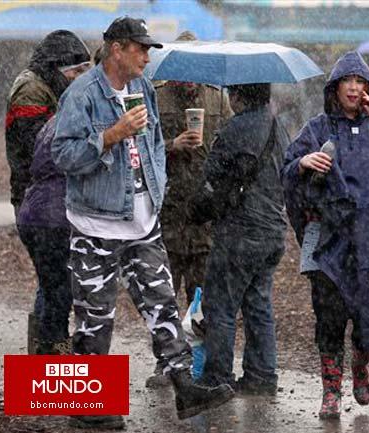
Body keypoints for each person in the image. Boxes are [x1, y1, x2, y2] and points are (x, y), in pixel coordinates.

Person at [51, 16, 233, 429]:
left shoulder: (143, 88)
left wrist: (157, 189)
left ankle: (185, 387)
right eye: (141, 49)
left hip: (143, 224)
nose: (148, 57)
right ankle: (87, 406)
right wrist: (110, 135)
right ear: (117, 49)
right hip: (96, 226)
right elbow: (62, 155)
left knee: (162, 305)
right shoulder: (82, 94)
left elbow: (151, 145)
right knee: (95, 318)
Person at [282, 51, 369, 419]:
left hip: (368, 239)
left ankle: (360, 366)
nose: (355, 88)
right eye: (348, 81)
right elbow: (288, 167)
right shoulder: (317, 128)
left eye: (361, 82)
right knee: (328, 314)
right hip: (327, 237)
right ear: (335, 87)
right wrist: (303, 163)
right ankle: (331, 390)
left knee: (367, 311)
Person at [148, 30, 234, 388]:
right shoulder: (156, 95)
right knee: (163, 296)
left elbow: (231, 141)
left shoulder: (217, 97)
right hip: (168, 210)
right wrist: (172, 144)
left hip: (205, 215)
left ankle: (199, 364)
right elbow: (142, 144)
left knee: (203, 296)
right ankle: (166, 364)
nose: (189, 76)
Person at [197, 83, 289, 396]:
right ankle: (262, 376)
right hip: (273, 230)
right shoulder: (278, 127)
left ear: (237, 96)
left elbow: (211, 172)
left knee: (220, 304)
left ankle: (217, 376)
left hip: (240, 231)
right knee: (258, 303)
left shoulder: (235, 128)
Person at [5, 30, 91, 354]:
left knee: (52, 279)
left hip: (43, 197)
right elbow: (40, 147)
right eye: (76, 72)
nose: (80, 79)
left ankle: (43, 351)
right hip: (36, 197)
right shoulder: (31, 90)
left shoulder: (45, 86)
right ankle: (49, 350)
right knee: (55, 282)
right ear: (58, 68)